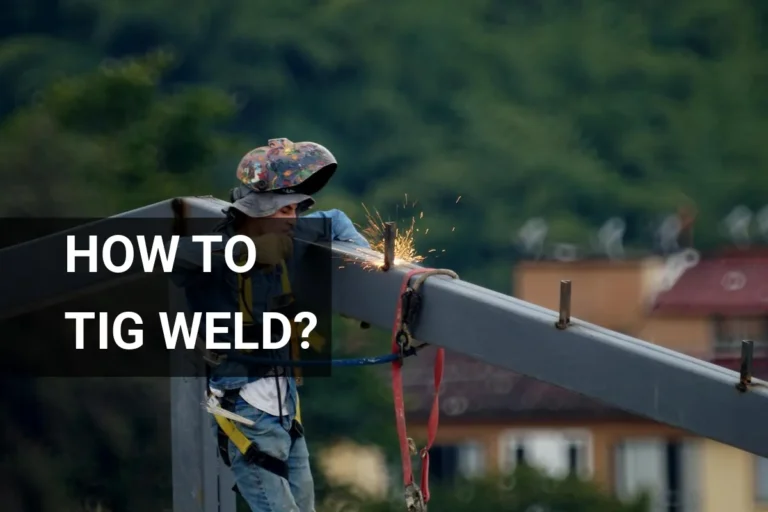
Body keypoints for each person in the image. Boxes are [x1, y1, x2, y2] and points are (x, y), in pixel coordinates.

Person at [171, 138, 369, 512]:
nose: (293, 218)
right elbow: (173, 259)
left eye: (295, 208)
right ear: (257, 212)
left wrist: (371, 271)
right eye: (284, 210)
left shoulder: (289, 233)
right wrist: (243, 250)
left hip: (284, 403)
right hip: (244, 406)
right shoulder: (217, 249)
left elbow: (337, 221)